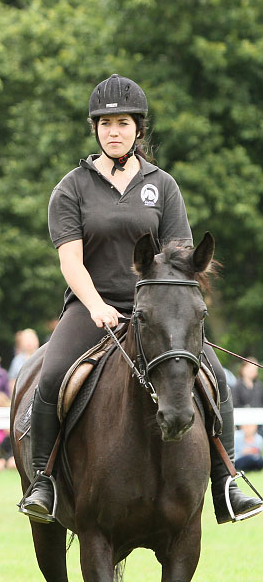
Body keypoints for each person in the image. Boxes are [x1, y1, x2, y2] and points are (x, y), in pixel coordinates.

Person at [20, 74, 262, 524]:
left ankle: (226, 482)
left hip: (158, 309)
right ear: (95, 129)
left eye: (123, 123)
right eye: (106, 123)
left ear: (138, 129)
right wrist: (94, 305)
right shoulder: (71, 187)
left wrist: (165, 308)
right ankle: (43, 481)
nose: (114, 131)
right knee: (52, 373)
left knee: (216, 377)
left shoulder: (163, 185)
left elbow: (181, 257)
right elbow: (70, 261)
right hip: (92, 307)